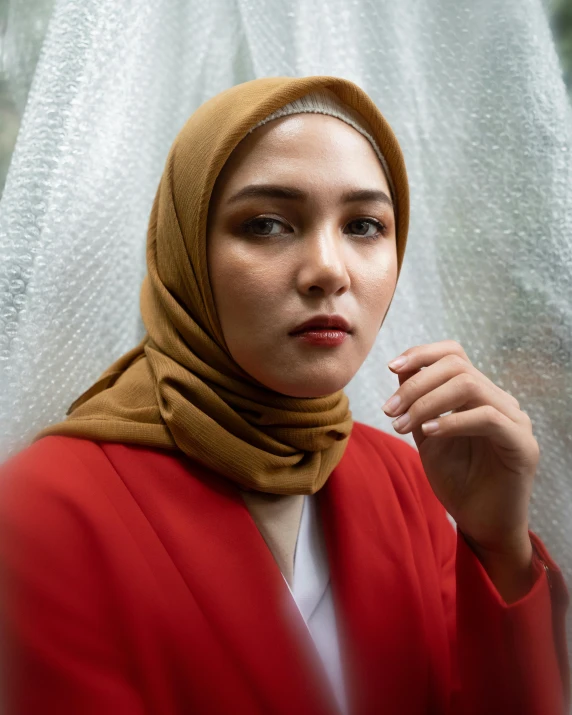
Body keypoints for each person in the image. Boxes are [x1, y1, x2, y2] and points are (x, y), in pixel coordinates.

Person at [0, 75, 569, 715]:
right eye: (267, 224)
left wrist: (497, 546)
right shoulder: (43, 510)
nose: (330, 268)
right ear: (185, 252)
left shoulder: (407, 480)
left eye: (364, 225)